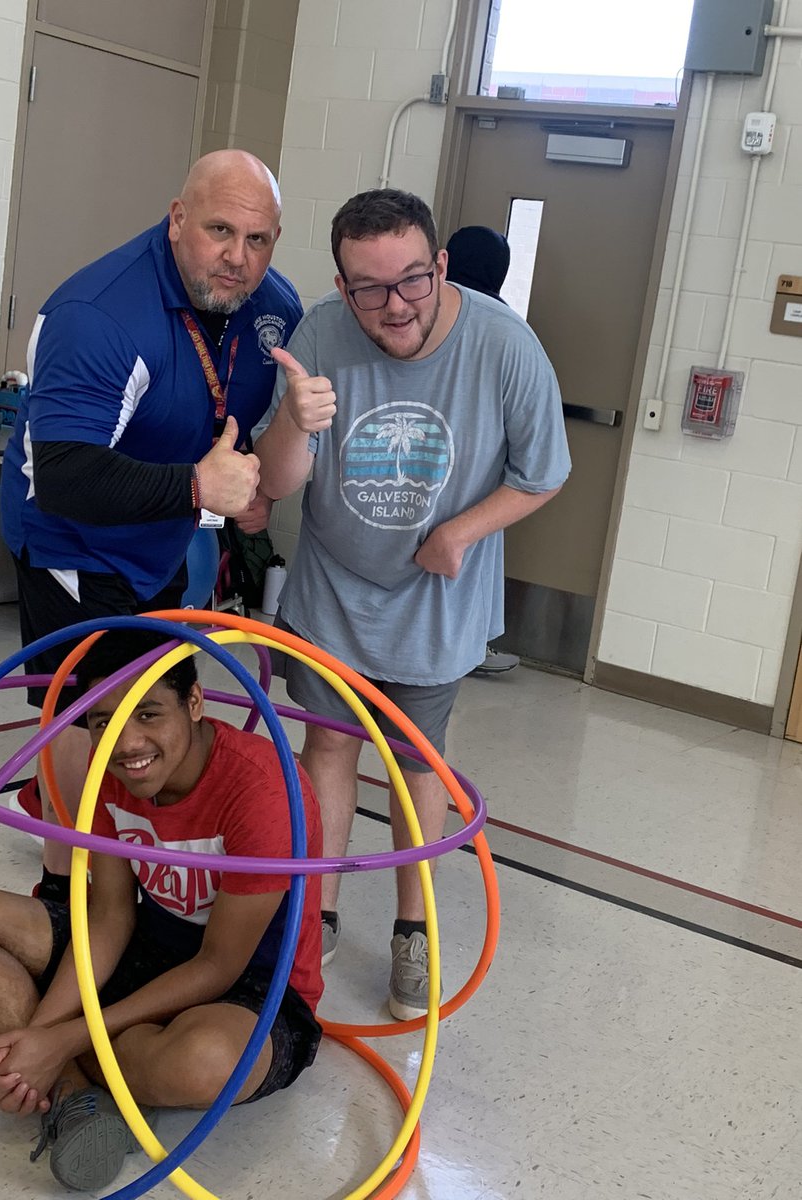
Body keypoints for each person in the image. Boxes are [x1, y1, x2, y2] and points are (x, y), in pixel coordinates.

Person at [254, 189, 570, 1020]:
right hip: (333, 597)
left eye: (411, 282)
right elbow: (278, 482)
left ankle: (413, 933)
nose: (394, 307)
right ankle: (315, 914)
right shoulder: (319, 333)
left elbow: (544, 473)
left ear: (438, 266)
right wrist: (292, 421)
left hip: (436, 603)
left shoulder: (506, 347)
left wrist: (463, 532)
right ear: (341, 282)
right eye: (368, 288)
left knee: (413, 763)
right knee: (327, 746)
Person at [0, 629, 323, 1193]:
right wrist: (44, 1034)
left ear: (195, 703)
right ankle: (75, 1093)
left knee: (205, 1062)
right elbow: (107, 920)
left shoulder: (264, 789)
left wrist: (60, 1040)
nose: (126, 743)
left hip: (251, 989)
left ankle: (1, 1026)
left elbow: (217, 967)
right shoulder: (110, 775)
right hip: (141, 951)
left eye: (147, 714)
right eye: (104, 722)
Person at [0, 150, 302, 903]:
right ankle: (63, 887)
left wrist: (247, 489)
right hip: (72, 540)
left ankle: (124, 851)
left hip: (161, 532)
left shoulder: (274, 309)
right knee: (88, 710)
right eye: (219, 231)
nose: (238, 258)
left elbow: (252, 422)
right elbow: (66, 475)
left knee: (153, 694)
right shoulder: (98, 315)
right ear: (176, 219)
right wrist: (203, 487)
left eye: (259, 239)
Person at [445, 224, 520, 676]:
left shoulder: (422, 311)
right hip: (477, 471)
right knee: (469, 555)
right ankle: (470, 648)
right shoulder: (505, 325)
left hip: (419, 454)